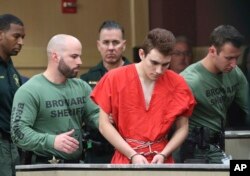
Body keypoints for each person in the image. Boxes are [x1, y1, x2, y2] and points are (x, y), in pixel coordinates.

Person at [91, 28, 196, 164]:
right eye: (154, 63)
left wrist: (164, 153)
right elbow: (103, 124)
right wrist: (132, 154)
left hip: (161, 158)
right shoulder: (114, 78)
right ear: (141, 54)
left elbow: (183, 127)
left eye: (165, 64)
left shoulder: (178, 83)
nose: (159, 70)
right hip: (125, 157)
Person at [11, 34, 99, 164]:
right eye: (74, 56)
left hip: (77, 165)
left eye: (79, 56)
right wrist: (52, 141)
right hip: (42, 166)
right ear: (55, 56)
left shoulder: (81, 87)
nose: (80, 62)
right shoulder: (30, 90)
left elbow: (96, 116)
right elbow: (18, 132)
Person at [179, 25, 249, 163]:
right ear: (212, 51)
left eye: (237, 57)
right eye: (229, 58)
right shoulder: (189, 80)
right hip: (196, 153)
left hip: (220, 146)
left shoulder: (235, 73)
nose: (234, 64)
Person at [80, 20, 130, 163]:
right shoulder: (87, 79)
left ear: (124, 45)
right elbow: (82, 114)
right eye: (106, 42)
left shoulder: (136, 74)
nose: (110, 48)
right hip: (97, 150)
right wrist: (98, 118)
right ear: (98, 45)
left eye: (115, 42)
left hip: (130, 148)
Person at [0, 14, 25, 176]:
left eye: (23, 37)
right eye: (16, 36)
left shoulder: (11, 68)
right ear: (1, 35)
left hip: (12, 144)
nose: (21, 42)